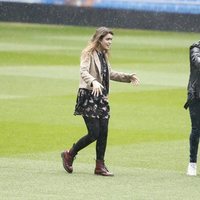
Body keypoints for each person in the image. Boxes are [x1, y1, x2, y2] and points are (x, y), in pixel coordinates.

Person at [61, 27, 139, 176]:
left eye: (111, 40)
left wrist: (128, 77)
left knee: (103, 132)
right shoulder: (88, 53)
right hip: (88, 96)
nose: (110, 42)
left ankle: (100, 166)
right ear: (99, 39)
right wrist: (93, 82)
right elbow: (83, 71)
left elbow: (110, 73)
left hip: (101, 97)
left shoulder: (103, 54)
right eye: (108, 39)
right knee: (94, 133)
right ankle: (69, 154)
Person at [184, 41, 200, 176]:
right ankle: (192, 163)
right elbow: (197, 63)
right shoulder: (195, 48)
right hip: (196, 94)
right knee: (196, 129)